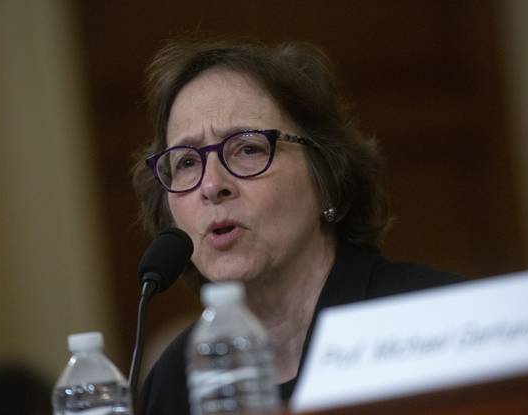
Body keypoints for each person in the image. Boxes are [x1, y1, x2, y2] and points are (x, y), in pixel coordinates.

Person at [131, 39, 462, 415]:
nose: (211, 185)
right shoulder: (176, 382)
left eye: (248, 148)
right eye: (187, 162)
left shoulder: (437, 322)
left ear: (326, 178)